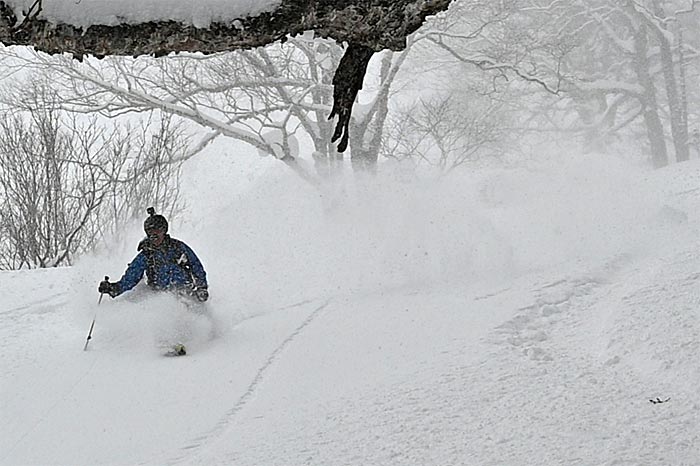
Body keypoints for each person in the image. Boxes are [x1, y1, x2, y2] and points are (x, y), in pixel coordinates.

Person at [98, 207, 209, 303]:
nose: (154, 236)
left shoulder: (178, 248)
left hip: (186, 293)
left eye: (157, 232)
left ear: (164, 231)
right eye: (150, 233)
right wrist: (114, 288)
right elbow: (131, 277)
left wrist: (202, 287)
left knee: (196, 318)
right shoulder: (147, 255)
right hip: (161, 297)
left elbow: (196, 266)